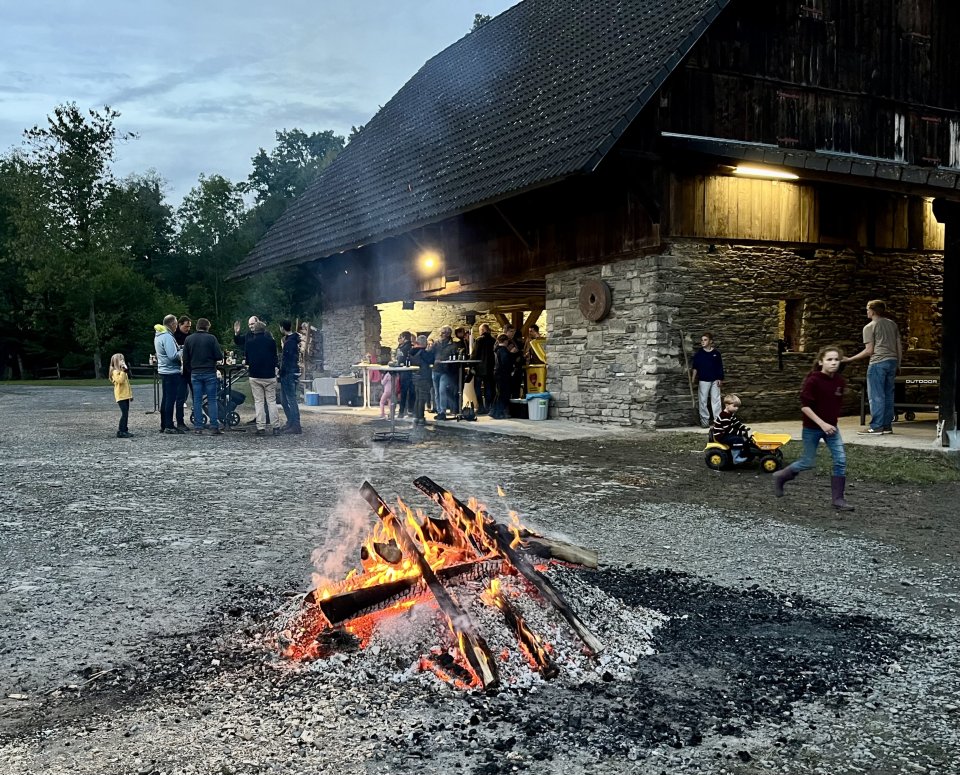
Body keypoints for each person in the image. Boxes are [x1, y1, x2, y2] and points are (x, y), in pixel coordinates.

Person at [772, 345, 854, 511]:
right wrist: (822, 424)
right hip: (812, 428)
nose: (833, 362)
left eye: (836, 359)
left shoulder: (839, 381)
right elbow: (805, 407)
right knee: (808, 462)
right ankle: (782, 476)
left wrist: (830, 423)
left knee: (840, 460)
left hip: (832, 429)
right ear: (821, 362)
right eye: (829, 359)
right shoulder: (813, 380)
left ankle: (838, 499)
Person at [842, 300, 902, 435]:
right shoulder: (892, 324)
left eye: (868, 309)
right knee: (888, 395)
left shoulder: (869, 327)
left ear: (873, 311)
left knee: (876, 396)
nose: (867, 312)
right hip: (892, 362)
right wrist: (898, 363)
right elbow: (899, 346)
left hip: (877, 363)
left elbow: (869, 350)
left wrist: (850, 359)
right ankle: (886, 426)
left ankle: (876, 426)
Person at [182, 318, 224, 435]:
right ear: (207, 327)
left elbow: (185, 358)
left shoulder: (189, 339)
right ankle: (214, 426)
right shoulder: (212, 338)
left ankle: (198, 427)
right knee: (212, 399)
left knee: (197, 400)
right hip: (209, 371)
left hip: (195, 372)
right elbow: (218, 356)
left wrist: (191, 369)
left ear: (197, 327)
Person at [234, 316, 276, 426]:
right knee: (264, 400)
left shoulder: (266, 335)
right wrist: (236, 333)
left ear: (258, 323)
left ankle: (263, 421)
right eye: (249, 325)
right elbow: (239, 342)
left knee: (262, 400)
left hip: (259, 372)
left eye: (252, 324)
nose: (251, 326)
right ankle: (267, 421)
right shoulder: (249, 335)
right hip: (265, 373)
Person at [242, 320, 279, 436]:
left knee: (259, 402)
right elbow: (275, 358)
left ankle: (261, 427)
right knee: (271, 402)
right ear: (264, 330)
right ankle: (276, 427)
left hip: (255, 375)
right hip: (269, 375)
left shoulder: (250, 343)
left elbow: (247, 360)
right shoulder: (271, 342)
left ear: (255, 331)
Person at [154, 314, 184, 434]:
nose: (176, 326)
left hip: (164, 370)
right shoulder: (167, 336)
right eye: (176, 324)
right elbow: (172, 356)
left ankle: (164, 424)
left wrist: (178, 348)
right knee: (170, 399)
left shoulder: (159, 335)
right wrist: (183, 351)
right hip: (171, 371)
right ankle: (169, 425)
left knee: (165, 398)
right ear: (171, 324)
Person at [690, 332, 724, 428]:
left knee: (716, 400)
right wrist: (693, 379)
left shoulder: (716, 354)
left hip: (715, 380)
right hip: (703, 380)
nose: (703, 342)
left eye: (705, 340)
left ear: (710, 341)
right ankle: (704, 420)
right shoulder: (699, 354)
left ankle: (718, 421)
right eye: (702, 340)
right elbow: (695, 367)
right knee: (703, 401)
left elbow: (720, 367)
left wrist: (720, 378)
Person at [276, 320, 302, 435]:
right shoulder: (289, 340)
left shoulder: (290, 342)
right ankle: (290, 421)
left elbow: (287, 360)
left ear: (282, 327)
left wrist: (281, 371)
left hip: (288, 373)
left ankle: (296, 425)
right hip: (287, 373)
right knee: (283, 400)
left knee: (291, 399)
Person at [711, 394, 751, 463]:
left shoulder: (730, 413)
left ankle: (745, 453)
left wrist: (744, 427)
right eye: (734, 406)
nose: (736, 408)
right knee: (737, 439)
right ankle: (736, 458)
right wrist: (740, 432)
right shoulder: (724, 416)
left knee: (745, 438)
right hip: (721, 435)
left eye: (737, 406)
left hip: (726, 433)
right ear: (727, 405)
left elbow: (736, 423)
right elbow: (728, 429)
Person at [433, 326, 458, 421]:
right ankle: (439, 411)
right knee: (436, 392)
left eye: (443, 333)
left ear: (448, 334)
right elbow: (430, 354)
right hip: (435, 369)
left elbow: (454, 358)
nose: (441, 334)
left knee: (442, 390)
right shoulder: (436, 344)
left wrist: (444, 361)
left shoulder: (453, 345)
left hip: (445, 370)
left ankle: (443, 411)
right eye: (441, 332)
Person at [490, 334, 518, 419]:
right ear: (506, 341)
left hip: (497, 373)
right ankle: (498, 412)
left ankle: (494, 411)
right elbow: (506, 363)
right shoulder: (503, 350)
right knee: (503, 394)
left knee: (499, 393)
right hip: (503, 374)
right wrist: (512, 354)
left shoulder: (497, 349)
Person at [470, 323, 496, 415]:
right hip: (490, 368)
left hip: (479, 368)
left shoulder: (479, 340)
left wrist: (471, 365)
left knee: (477, 388)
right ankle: (488, 407)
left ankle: (481, 407)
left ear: (483, 330)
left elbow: (475, 354)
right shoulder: (493, 340)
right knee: (489, 388)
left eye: (480, 330)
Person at [410, 334, 436, 425]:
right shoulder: (423, 353)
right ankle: (421, 417)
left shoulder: (412, 352)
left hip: (415, 376)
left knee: (417, 397)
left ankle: (416, 417)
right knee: (422, 398)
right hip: (423, 376)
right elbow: (431, 360)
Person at [172, 316, 192, 431]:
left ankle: (198, 419)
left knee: (196, 396)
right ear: (179, 325)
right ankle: (180, 421)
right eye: (186, 326)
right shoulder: (174, 337)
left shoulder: (190, 336)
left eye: (189, 326)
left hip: (191, 370)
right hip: (180, 371)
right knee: (180, 397)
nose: (188, 328)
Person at [109, 353, 133, 438]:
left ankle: (125, 429)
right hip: (121, 396)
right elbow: (120, 381)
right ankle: (121, 431)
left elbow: (127, 384)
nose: (123, 361)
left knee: (126, 413)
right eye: (121, 360)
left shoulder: (122, 372)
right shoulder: (115, 372)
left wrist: (130, 395)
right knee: (124, 413)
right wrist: (123, 371)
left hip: (125, 395)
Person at [395, 331, 415, 418]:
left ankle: (401, 411)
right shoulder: (412, 347)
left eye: (401, 337)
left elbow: (399, 360)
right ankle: (411, 410)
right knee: (412, 392)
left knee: (403, 392)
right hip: (412, 371)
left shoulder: (401, 348)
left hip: (404, 372)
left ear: (403, 338)